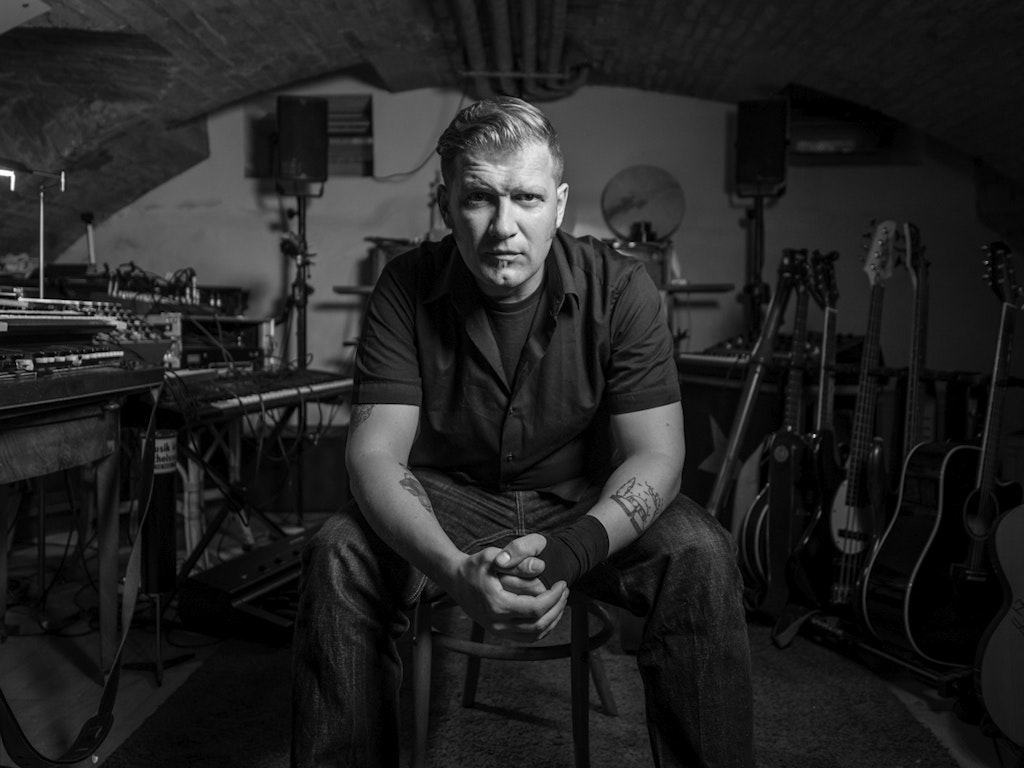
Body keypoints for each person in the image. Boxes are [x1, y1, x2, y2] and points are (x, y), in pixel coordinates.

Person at [291, 95, 753, 768]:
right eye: (479, 198)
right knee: (338, 551)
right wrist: (453, 572)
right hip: (451, 494)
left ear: (560, 204)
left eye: (528, 199)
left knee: (701, 553)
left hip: (581, 497)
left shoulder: (624, 290)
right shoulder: (404, 286)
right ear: (446, 203)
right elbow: (372, 455)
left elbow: (659, 455)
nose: (504, 226)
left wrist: (569, 552)